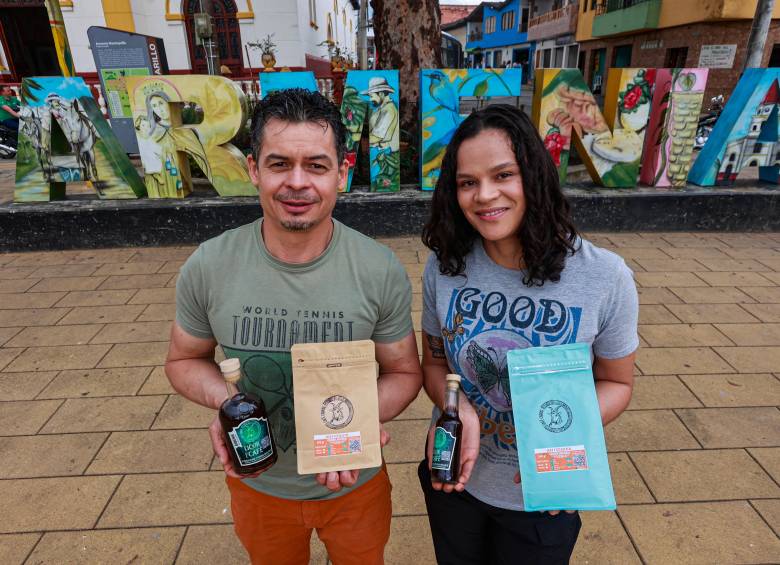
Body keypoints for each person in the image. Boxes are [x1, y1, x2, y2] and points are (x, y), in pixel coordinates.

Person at [165, 88, 422, 565]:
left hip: (354, 487)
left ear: (342, 174)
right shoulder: (210, 265)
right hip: (258, 483)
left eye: (317, 166)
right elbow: (184, 360)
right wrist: (227, 402)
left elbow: (405, 373)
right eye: (280, 164)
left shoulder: (378, 269)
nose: (297, 183)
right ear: (254, 170)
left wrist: (360, 425)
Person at [417, 104, 638, 564]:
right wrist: (457, 410)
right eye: (467, 182)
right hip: (455, 476)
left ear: (534, 176)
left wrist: (556, 434)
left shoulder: (604, 276)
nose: (484, 195)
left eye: (503, 175)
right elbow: (436, 364)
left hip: (543, 494)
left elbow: (617, 383)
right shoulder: (445, 266)